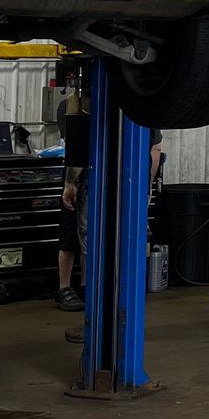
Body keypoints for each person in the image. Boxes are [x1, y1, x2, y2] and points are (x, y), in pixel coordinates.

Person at [54, 67, 164, 313]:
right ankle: (69, 288)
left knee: (89, 239)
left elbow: (77, 150)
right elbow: (154, 150)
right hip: (101, 179)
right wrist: (145, 188)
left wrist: (70, 183)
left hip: (97, 179)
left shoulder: (75, 104)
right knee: (75, 236)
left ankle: (88, 290)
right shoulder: (137, 106)